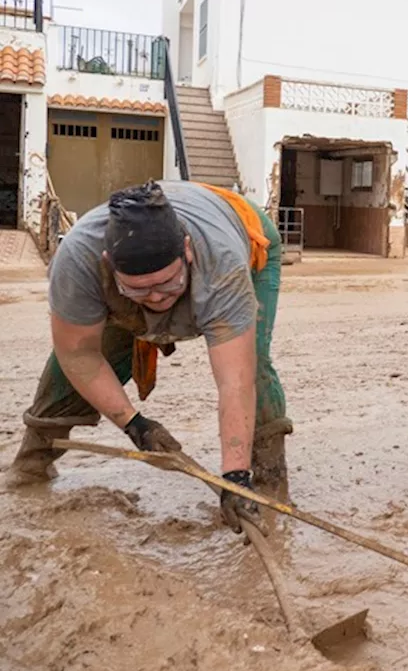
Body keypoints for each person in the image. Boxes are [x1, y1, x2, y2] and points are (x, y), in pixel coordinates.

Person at [4, 180, 292, 532]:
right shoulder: (79, 260)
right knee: (76, 364)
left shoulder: (222, 265)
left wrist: (235, 478)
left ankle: (267, 481)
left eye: (167, 284)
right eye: (140, 289)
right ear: (109, 264)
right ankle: (32, 465)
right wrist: (135, 425)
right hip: (139, 279)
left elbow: (235, 381)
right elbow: (79, 356)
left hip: (243, 234)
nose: (157, 299)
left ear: (187, 251)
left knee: (254, 365)